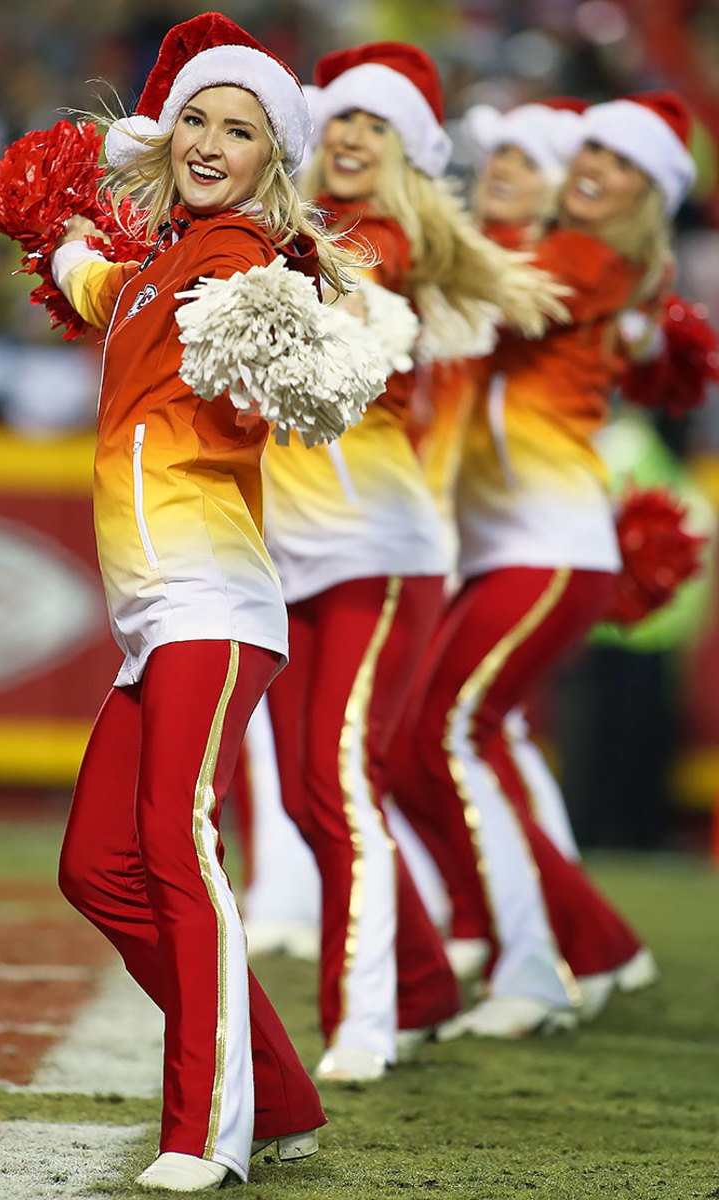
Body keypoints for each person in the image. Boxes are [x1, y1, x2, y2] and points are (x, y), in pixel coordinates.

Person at [49, 12, 364, 1193]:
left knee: (177, 852)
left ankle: (206, 1132)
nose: (212, 139)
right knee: (97, 868)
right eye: (197, 116)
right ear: (167, 127)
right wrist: (62, 233)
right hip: (155, 621)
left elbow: (288, 328)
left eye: (243, 127)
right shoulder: (146, 279)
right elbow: (92, 281)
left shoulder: (243, 258)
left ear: (272, 157)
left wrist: (285, 306)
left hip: (215, 605)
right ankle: (279, 1094)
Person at [262, 41, 568, 1081]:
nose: (349, 137)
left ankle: (366, 1020)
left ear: (404, 155)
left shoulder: (380, 240)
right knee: (310, 797)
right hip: (289, 554)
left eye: (375, 127)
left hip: (374, 556)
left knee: (339, 780)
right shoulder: (293, 229)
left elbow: (335, 278)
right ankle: (430, 987)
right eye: (339, 118)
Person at [404, 92, 694, 1038]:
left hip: (551, 545)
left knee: (443, 734)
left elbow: (492, 285)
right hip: (506, 546)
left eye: (617, 158)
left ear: (647, 189)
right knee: (437, 740)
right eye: (591, 147)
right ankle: (592, 944)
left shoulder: (590, 257)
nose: (593, 165)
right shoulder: (583, 258)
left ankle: (536, 970)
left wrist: (390, 222)